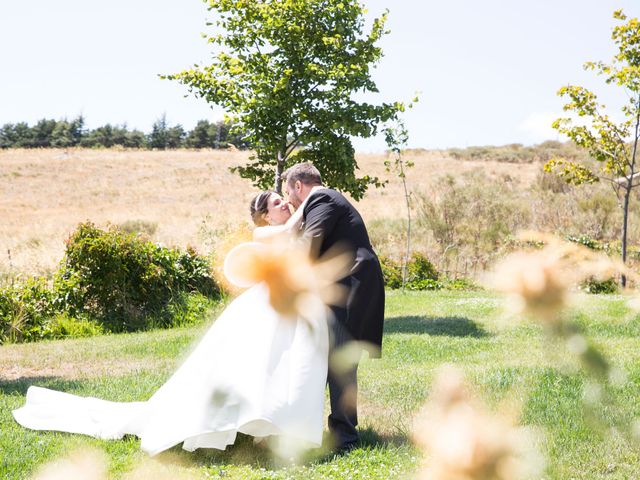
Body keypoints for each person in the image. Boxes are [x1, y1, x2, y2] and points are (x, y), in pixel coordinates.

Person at [12, 192, 329, 456]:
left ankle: (270, 423)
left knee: (276, 365)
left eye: (283, 200)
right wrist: (313, 196)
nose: (284, 203)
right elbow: (288, 232)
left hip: (284, 304)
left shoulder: (293, 225)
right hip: (263, 305)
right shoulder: (264, 232)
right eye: (276, 203)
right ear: (264, 215)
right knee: (249, 365)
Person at [283, 162, 385, 453]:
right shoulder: (325, 201)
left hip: (351, 285)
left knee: (340, 358)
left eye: (288, 193)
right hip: (341, 286)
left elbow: (309, 245)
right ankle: (328, 428)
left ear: (298, 185)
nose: (289, 201)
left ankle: (345, 438)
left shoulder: (323, 198)